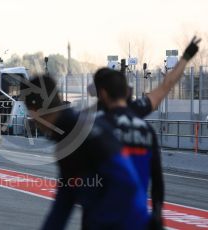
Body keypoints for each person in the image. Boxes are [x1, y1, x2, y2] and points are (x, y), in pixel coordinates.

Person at [23, 75, 149, 230]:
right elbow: (65, 199)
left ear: (34, 111)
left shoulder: (77, 134)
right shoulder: (70, 132)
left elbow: (126, 183)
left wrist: (97, 222)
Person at [93, 68, 164, 229]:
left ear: (102, 94)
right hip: (138, 218)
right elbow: (158, 180)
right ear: (126, 93)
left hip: (105, 219)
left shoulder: (97, 127)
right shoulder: (146, 129)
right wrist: (157, 214)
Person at [88, 36, 201, 117]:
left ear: (101, 94)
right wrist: (186, 57)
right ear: (127, 92)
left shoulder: (93, 121)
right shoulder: (135, 109)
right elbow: (167, 84)